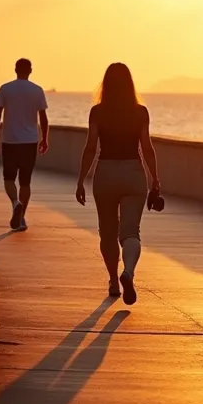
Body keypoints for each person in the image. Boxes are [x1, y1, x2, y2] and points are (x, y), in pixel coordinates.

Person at [75, 63, 160, 305]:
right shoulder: (140, 112)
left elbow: (91, 147)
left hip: (106, 174)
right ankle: (128, 272)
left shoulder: (97, 112)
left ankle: (113, 280)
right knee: (131, 232)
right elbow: (147, 148)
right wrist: (155, 178)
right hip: (134, 173)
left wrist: (81, 179)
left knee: (108, 233)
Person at [0, 58, 49, 231]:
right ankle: (21, 217)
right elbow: (43, 118)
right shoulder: (37, 90)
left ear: (15, 69)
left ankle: (16, 203)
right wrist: (45, 138)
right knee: (25, 182)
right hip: (30, 141)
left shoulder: (6, 88)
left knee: (8, 178)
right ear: (30, 70)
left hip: (9, 140)